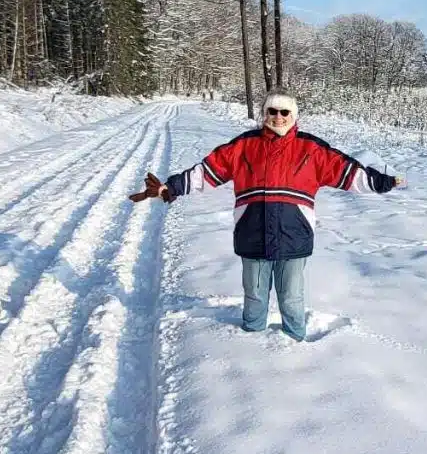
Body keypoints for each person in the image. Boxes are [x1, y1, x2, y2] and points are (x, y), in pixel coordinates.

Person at [132, 89, 403, 341]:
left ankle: (295, 345)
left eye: (285, 112)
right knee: (255, 297)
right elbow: (206, 172)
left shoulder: (313, 149)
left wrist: (382, 182)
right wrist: (172, 187)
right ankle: (251, 345)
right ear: (264, 113)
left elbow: (349, 172)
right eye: (272, 111)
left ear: (294, 116)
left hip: (294, 236)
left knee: (292, 298)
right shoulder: (243, 146)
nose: (278, 117)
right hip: (252, 233)